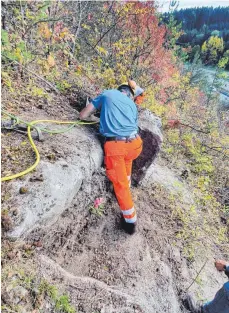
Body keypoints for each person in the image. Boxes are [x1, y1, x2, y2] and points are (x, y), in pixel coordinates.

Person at [79, 81, 143, 235]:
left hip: (117, 147)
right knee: (126, 169)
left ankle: (130, 222)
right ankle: (124, 191)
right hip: (136, 144)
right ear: (130, 95)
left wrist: (97, 119)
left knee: (120, 184)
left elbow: (82, 115)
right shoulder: (133, 106)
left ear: (119, 90)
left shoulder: (107, 94)